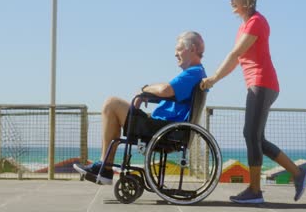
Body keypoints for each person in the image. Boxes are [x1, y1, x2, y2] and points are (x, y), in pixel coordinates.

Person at [200, 0, 306, 204]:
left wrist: (213, 78)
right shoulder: (245, 25)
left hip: (263, 83)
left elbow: (233, 55)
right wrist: (216, 79)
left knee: (251, 135)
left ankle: (255, 190)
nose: (230, 0)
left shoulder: (256, 22)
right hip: (259, 84)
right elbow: (236, 60)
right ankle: (298, 174)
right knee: (256, 137)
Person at [74, 31, 207, 185]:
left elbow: (165, 90)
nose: (175, 54)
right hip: (165, 127)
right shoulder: (196, 73)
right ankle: (105, 166)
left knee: (111, 103)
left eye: (179, 49)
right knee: (113, 110)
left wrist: (145, 89)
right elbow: (170, 94)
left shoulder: (193, 73)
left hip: (164, 129)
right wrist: (147, 95)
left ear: (192, 49)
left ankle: (104, 167)